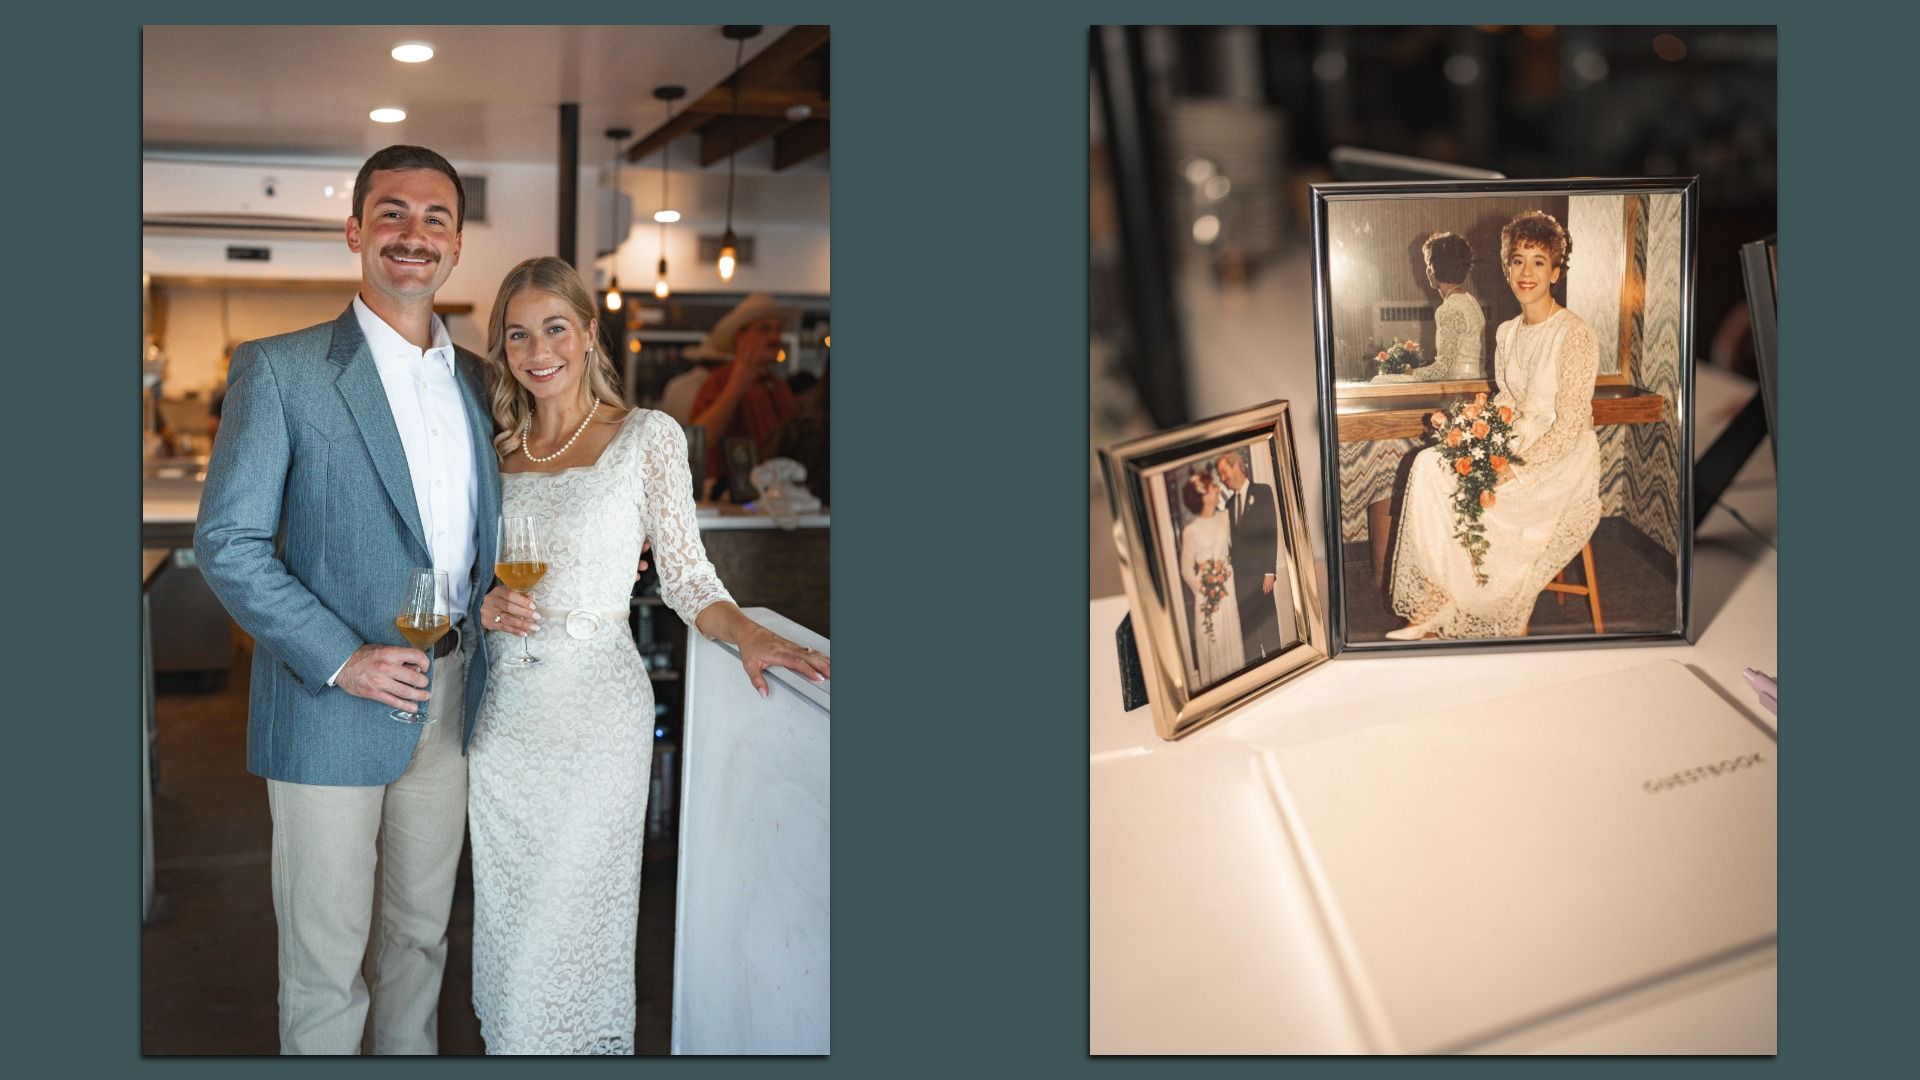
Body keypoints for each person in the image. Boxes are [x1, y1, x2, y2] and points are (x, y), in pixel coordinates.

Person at [467, 257, 830, 1055]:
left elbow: (687, 576)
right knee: (509, 935)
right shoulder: (495, 450)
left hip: (596, 718)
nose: (538, 350)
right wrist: (482, 603)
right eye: (518, 334)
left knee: (573, 931)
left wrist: (751, 632)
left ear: (589, 333)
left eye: (554, 327)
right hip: (504, 722)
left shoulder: (646, 437)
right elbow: (466, 576)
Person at [194, 145, 500, 1054]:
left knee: (419, 942)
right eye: (393, 214)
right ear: (355, 232)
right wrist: (344, 657)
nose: (414, 234)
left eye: (435, 218)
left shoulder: (483, 383)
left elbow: (492, 535)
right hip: (329, 701)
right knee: (326, 965)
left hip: (450, 700)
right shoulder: (280, 370)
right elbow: (228, 543)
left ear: (455, 246)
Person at [1386, 210, 1602, 640]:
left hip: (1563, 457)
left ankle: (1482, 602)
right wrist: (1470, 431)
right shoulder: (1506, 331)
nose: (1526, 272)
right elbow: (1508, 399)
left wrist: (1511, 467)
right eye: (1518, 260)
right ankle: (1437, 595)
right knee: (1430, 466)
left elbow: (1571, 424)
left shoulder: (1575, 334)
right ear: (1506, 268)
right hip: (1517, 437)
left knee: (1486, 494)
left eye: (1539, 262)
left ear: (1555, 271)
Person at [686, 292, 800, 489]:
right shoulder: (719, 381)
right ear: (740, 336)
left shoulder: (779, 387)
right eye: (765, 329)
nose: (775, 337)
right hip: (733, 501)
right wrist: (735, 388)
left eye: (778, 330)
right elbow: (698, 443)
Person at [1177, 467, 1244, 686]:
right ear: (1203, 496)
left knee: (1230, 634)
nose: (1217, 489)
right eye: (1212, 487)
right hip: (1208, 592)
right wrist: (1205, 589)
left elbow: (1238, 546)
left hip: (1228, 584)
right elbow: (1186, 569)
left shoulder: (1225, 517)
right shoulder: (1191, 531)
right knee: (1213, 638)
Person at [1217, 450, 1285, 662]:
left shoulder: (1263, 492)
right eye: (1220, 475)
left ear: (1236, 465)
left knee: (1268, 631)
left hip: (1261, 578)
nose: (1222, 478)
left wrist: (1269, 571)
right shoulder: (1227, 506)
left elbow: (1270, 531)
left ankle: (1279, 669)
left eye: (1223, 471)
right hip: (1241, 582)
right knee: (1249, 637)